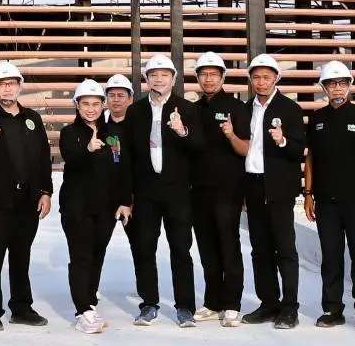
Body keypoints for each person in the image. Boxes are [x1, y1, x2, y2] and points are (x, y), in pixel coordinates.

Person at [123, 53, 204, 328]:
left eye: (164, 75)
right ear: (146, 79)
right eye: (153, 75)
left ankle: (185, 307)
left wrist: (182, 131)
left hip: (177, 191)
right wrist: (127, 195)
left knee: (181, 249)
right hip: (145, 191)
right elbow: (128, 156)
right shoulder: (135, 111)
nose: (159, 79)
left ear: (174, 79)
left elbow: (199, 147)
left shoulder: (187, 109)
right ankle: (149, 304)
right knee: (145, 247)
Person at [0, 62, 53, 330]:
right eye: (2, 84)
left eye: (12, 83)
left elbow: (43, 157)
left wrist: (45, 191)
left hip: (27, 200)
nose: (7, 88)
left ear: (19, 86)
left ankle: (21, 307)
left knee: (21, 255)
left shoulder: (32, 118)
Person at [305, 60, 355, 330]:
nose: (337, 88)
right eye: (332, 83)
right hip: (326, 201)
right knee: (331, 256)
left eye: (342, 83)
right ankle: (332, 309)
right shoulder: (317, 119)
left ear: (349, 86)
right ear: (324, 87)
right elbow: (311, 157)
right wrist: (308, 193)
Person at [58, 79, 132, 334]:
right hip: (77, 208)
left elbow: (123, 169)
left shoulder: (114, 133)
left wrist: (124, 201)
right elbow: (70, 159)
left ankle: (89, 302)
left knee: (97, 257)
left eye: (95, 104)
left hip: (106, 208)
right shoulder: (70, 132)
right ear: (77, 106)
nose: (90, 109)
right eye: (85, 104)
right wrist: (87, 149)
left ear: (103, 105)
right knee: (81, 258)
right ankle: (82, 311)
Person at [240, 53, 306, 329]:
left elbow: (298, 150)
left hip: (279, 187)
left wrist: (282, 141)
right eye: (256, 77)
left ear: (276, 78)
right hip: (252, 185)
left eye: (266, 77)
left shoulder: (290, 109)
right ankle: (268, 303)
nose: (261, 82)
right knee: (260, 249)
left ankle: (289, 307)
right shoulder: (245, 109)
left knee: (285, 249)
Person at [189, 51, 249, 327]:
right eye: (204, 74)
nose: (209, 79)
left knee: (228, 245)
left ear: (223, 77)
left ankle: (232, 304)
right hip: (198, 189)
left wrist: (230, 134)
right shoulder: (193, 109)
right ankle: (212, 302)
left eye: (214, 74)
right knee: (207, 248)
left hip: (228, 189)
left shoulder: (237, 107)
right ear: (197, 78)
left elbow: (246, 148)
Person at [103, 73, 137, 250]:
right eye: (111, 95)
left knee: (141, 250)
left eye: (121, 95)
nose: (116, 100)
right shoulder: (98, 126)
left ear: (130, 98)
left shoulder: (139, 126)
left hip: (133, 198)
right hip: (104, 197)